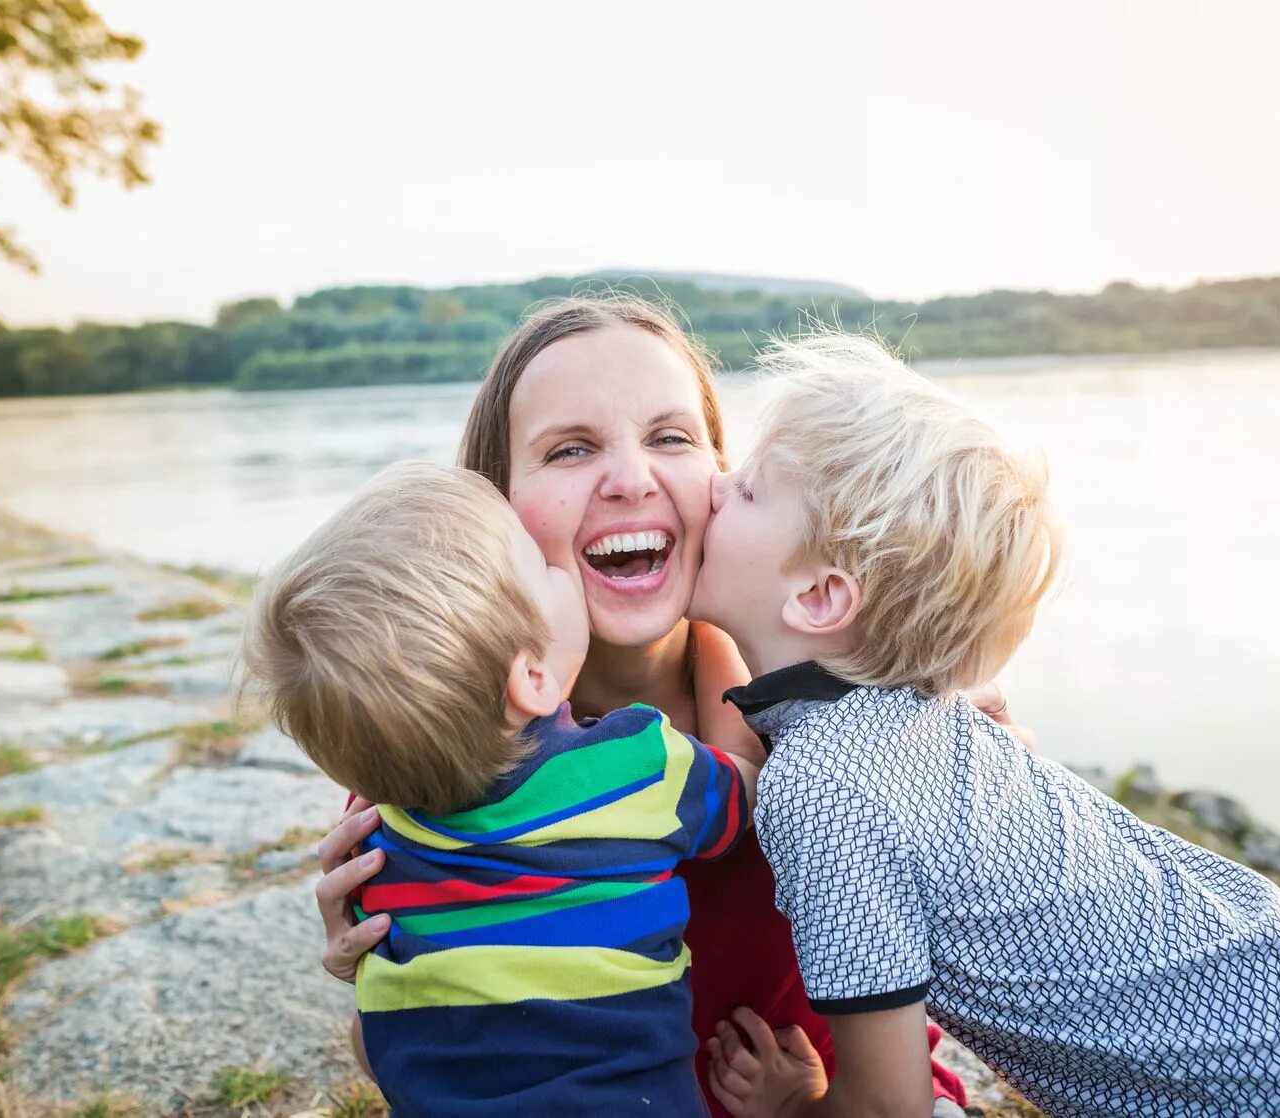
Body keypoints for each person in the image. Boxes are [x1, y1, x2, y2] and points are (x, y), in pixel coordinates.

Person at [693, 332, 1280, 1118]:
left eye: (752, 489)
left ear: (822, 597)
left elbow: (891, 1106)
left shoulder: (821, 783)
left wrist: (794, 1107)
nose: (715, 485)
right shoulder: (915, 714)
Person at [309, 295, 994, 1114]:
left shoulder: (846, 716)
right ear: (491, 508)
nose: (632, 479)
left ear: (724, 477)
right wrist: (369, 965)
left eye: (671, 438)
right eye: (569, 450)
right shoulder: (442, 745)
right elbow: (405, 1065)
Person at [240, 460, 759, 1115]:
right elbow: (740, 782)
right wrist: (712, 630)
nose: (555, 569)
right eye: (539, 567)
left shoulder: (380, 843)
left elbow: (379, 1040)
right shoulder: (635, 764)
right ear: (533, 678)